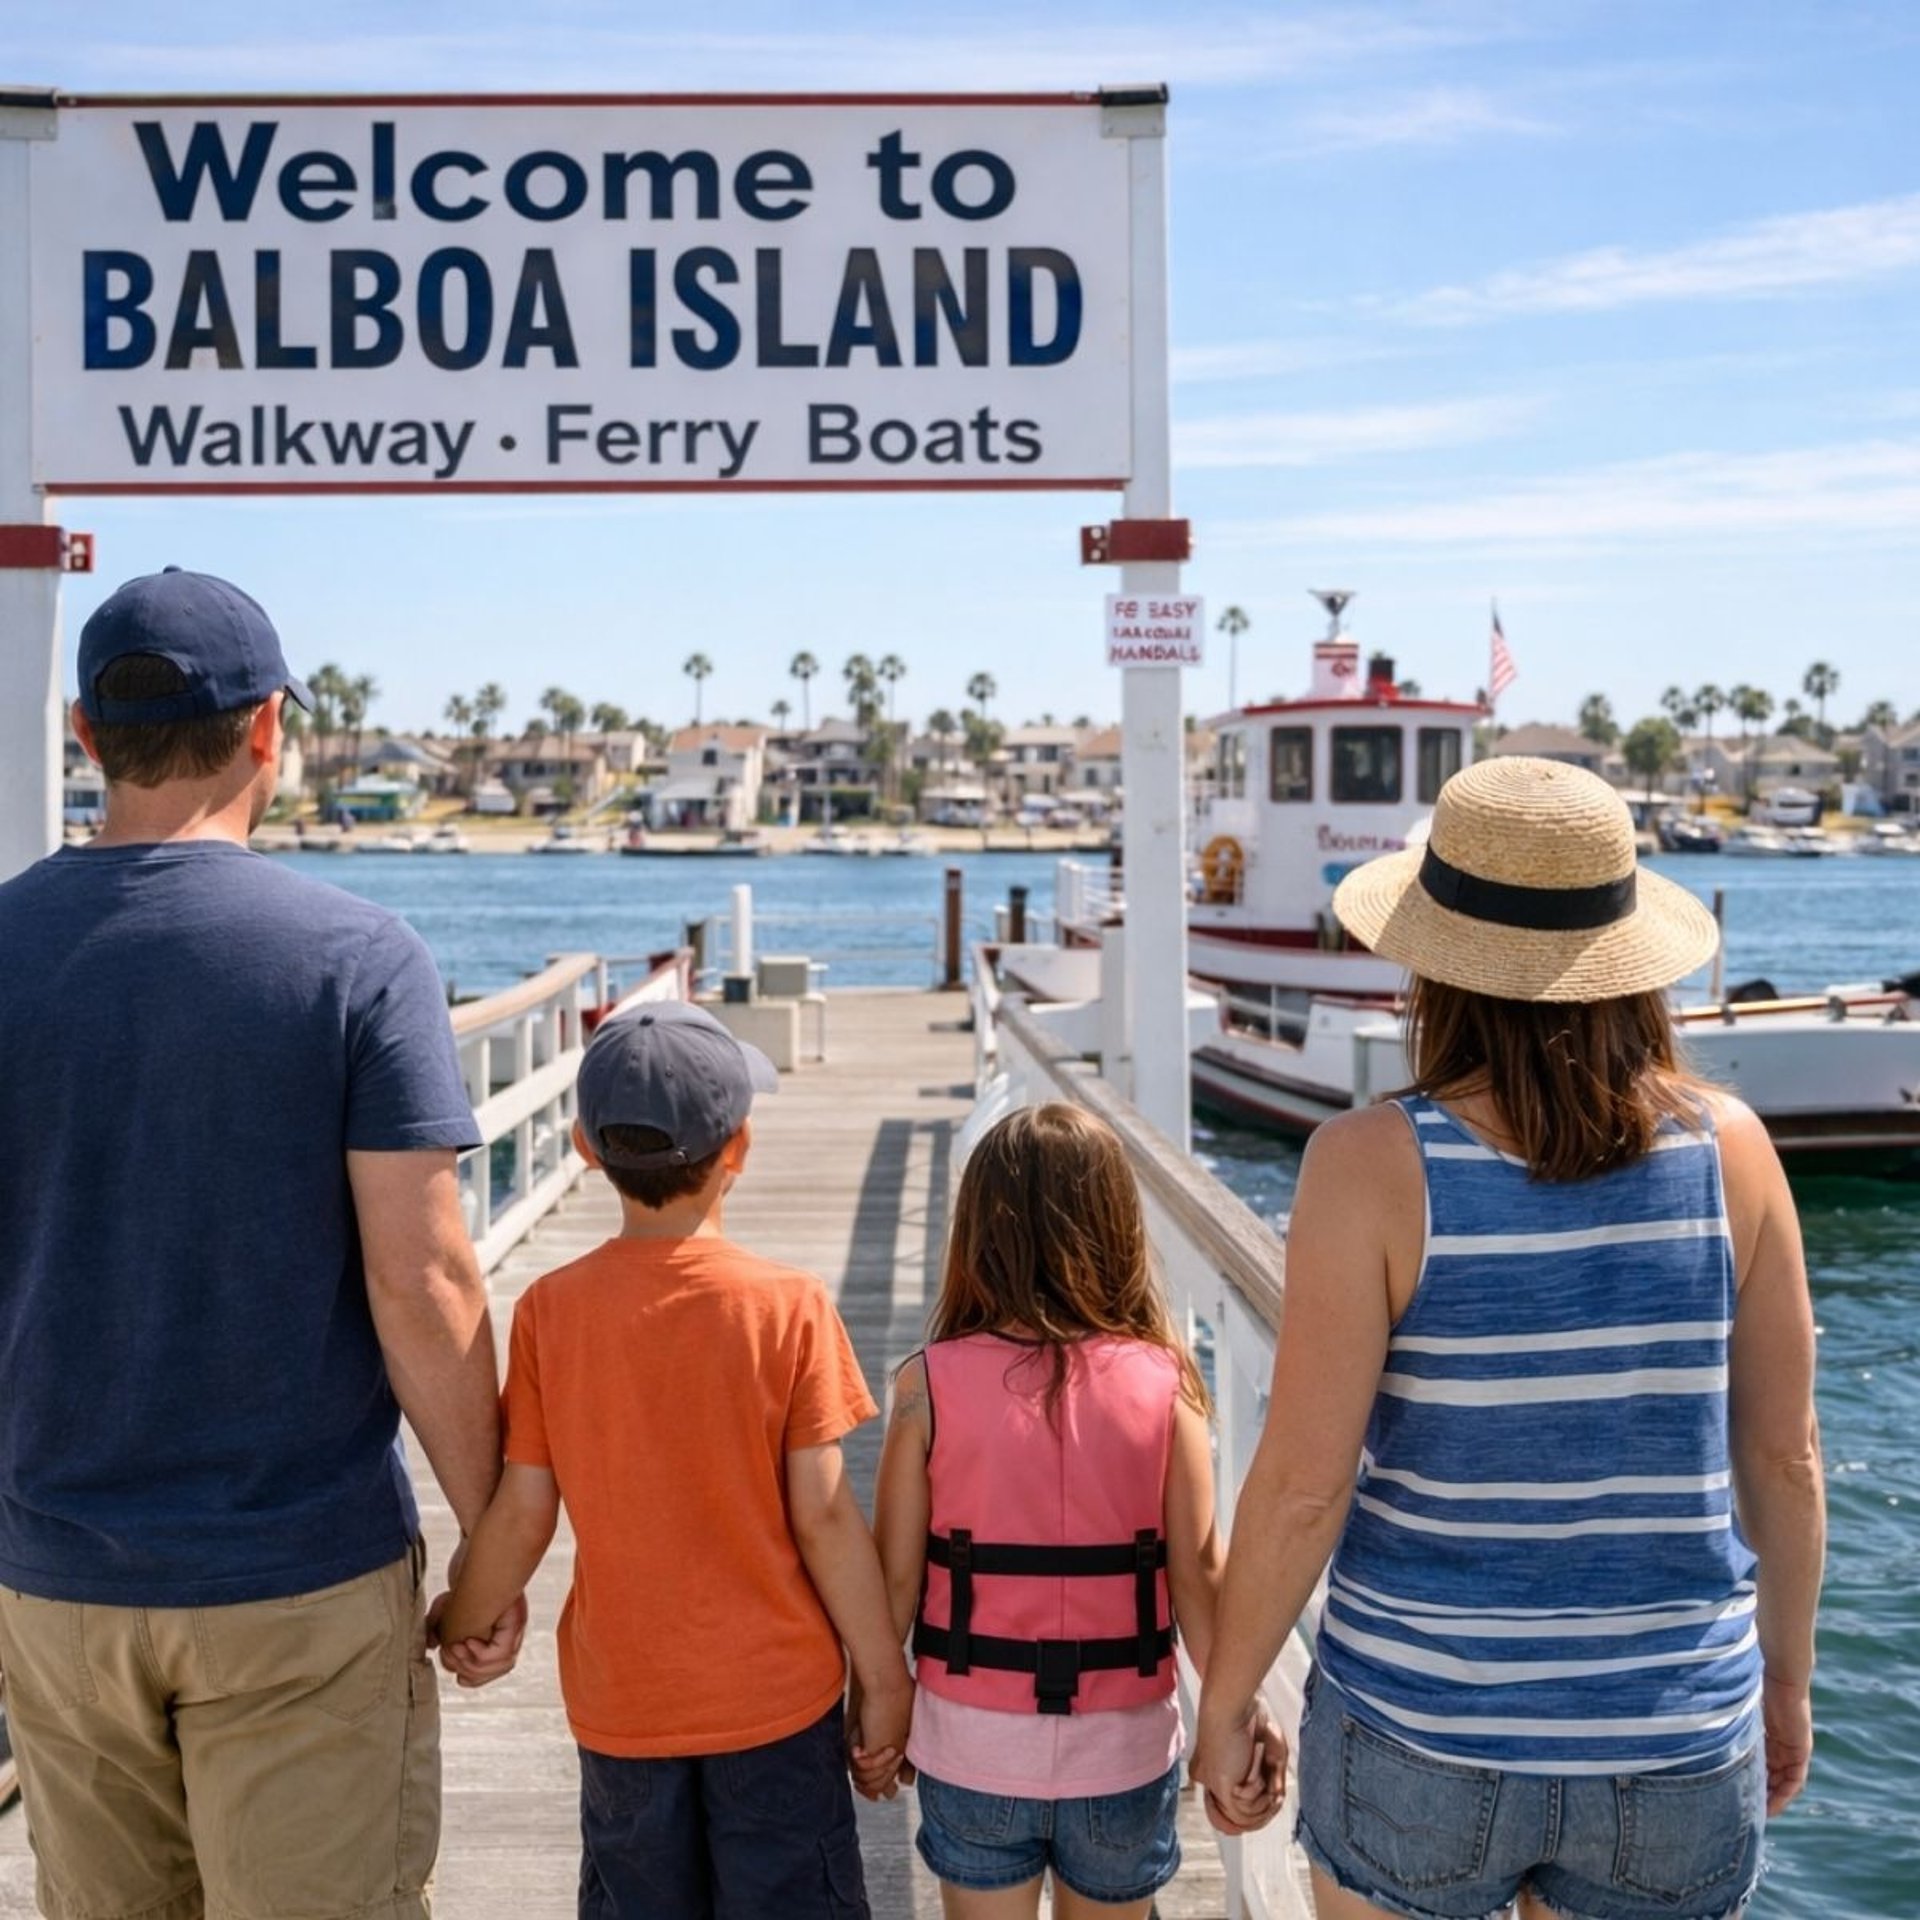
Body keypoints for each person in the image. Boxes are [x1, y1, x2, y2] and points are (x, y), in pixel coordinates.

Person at [1192, 757, 1825, 1920]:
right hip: (1672, 1734)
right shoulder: (1734, 1153)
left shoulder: (1371, 1166)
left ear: (1437, 962)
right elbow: (1783, 1460)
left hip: (1421, 1725)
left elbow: (1300, 1487)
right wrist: (1786, 1678)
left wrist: (1226, 1699)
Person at [0, 567, 521, 1919]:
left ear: (84, 733)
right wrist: (492, 1532)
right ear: (270, 729)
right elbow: (423, 1281)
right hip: (297, 1580)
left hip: (53, 1584)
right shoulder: (356, 961)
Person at [436, 1000, 911, 1918]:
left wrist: (467, 1613)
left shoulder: (550, 1312)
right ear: (738, 1148)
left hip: (626, 1705)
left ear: (583, 1147)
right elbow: (822, 1514)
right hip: (778, 1702)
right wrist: (884, 1679)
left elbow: (526, 1507)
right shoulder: (790, 1307)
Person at [869, 1104, 1282, 1920]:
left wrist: (876, 1703)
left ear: (977, 1231)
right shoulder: (1169, 1388)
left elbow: (893, 1581)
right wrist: (1236, 1716)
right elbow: (1200, 1578)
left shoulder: (927, 1386)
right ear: (1119, 1228)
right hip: (1122, 1750)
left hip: (972, 1743)